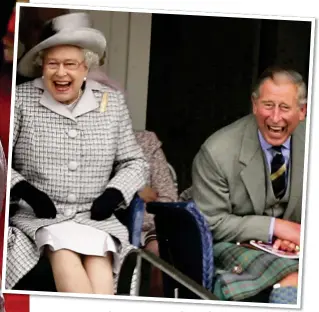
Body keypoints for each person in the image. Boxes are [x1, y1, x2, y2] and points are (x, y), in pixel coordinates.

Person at [6, 12, 148, 295]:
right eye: (52, 64)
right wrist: (25, 191)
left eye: (70, 64)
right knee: (65, 256)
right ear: (41, 66)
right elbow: (0, 161)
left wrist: (114, 195)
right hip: (41, 218)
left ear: (86, 68)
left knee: (100, 268)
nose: (61, 73)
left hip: (94, 217)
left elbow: (135, 162)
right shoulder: (21, 99)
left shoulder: (111, 103)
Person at [192, 67, 307, 303]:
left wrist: (298, 236)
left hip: (299, 245)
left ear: (302, 111)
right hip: (234, 246)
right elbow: (212, 223)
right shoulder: (217, 151)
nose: (275, 118)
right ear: (254, 105)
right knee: (297, 278)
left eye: (285, 107)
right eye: (268, 105)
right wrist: (277, 227)